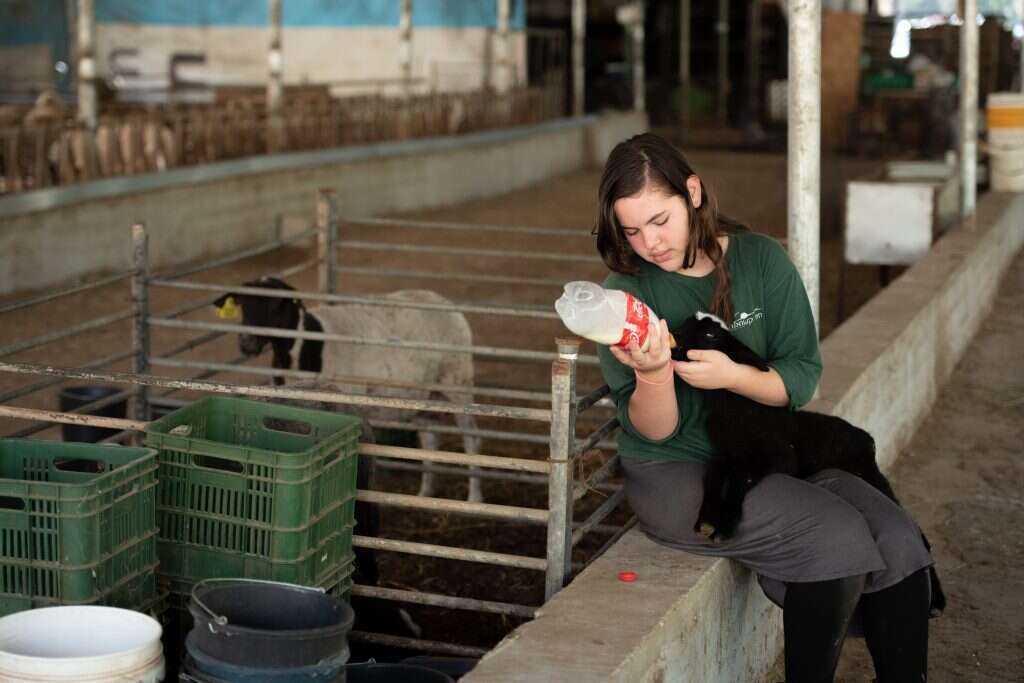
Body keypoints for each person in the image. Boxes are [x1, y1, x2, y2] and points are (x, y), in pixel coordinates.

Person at [594, 133, 933, 683]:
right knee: (837, 531)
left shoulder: (760, 259)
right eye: (631, 230)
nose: (648, 243)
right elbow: (654, 432)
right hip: (678, 471)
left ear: (694, 194)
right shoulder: (626, 294)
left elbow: (802, 377)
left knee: (895, 534)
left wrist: (734, 376)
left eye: (659, 221)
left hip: (762, 452)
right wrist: (652, 373)